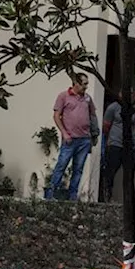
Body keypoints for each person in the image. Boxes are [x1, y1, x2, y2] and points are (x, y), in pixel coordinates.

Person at [48, 73, 98, 201]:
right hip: (70, 138)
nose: (86, 87)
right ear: (76, 83)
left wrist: (94, 134)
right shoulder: (63, 96)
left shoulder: (87, 99)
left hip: (84, 139)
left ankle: (72, 196)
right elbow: (56, 116)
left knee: (78, 169)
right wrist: (64, 132)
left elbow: (93, 116)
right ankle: (51, 194)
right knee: (61, 165)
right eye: (84, 84)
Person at [99, 89, 135, 202]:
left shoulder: (132, 109)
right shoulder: (113, 107)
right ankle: (106, 197)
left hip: (128, 146)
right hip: (115, 144)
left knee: (128, 174)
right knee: (111, 172)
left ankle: (128, 200)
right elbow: (105, 126)